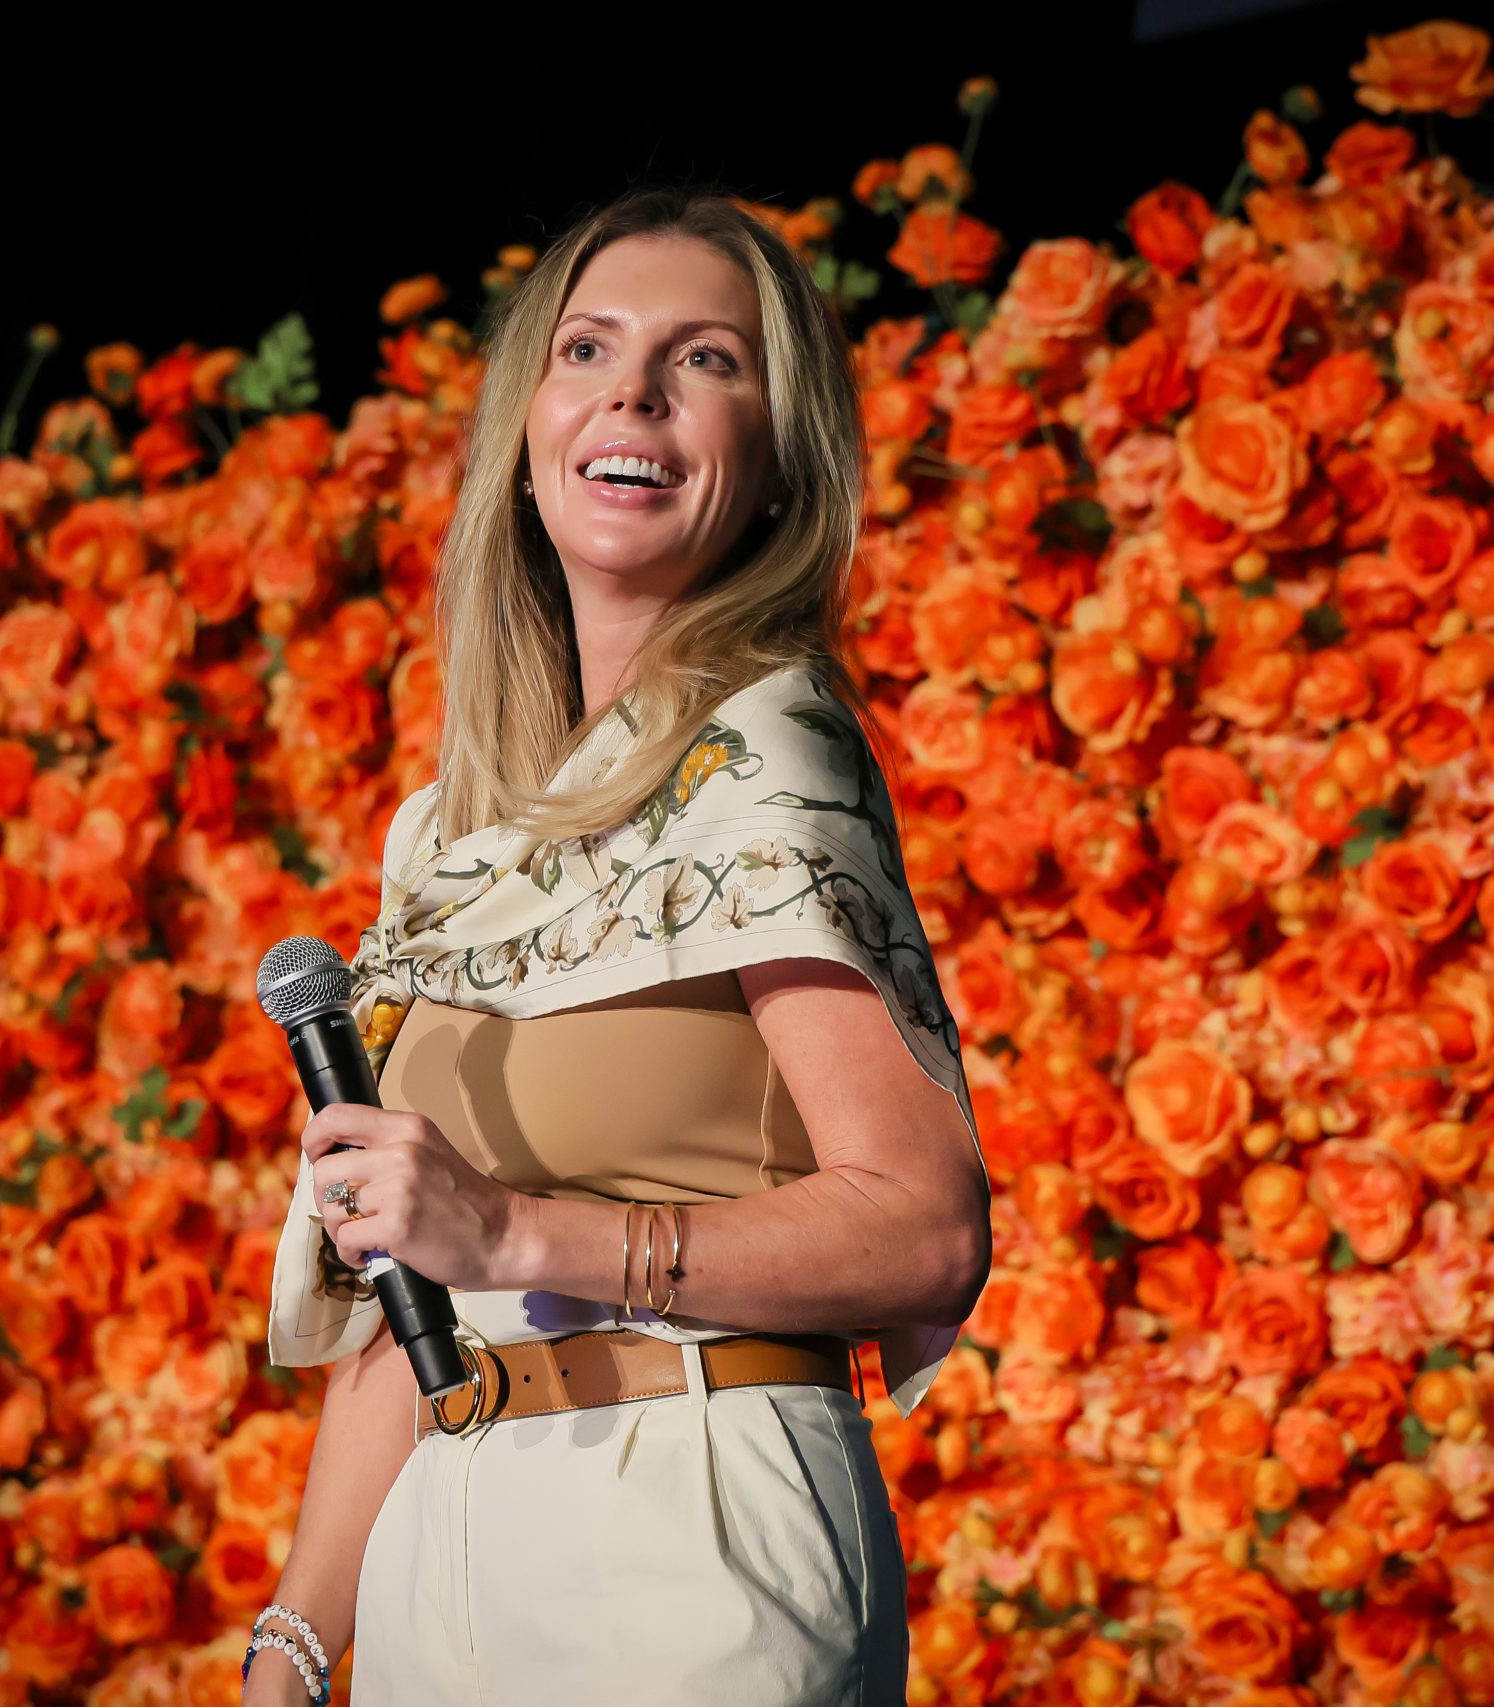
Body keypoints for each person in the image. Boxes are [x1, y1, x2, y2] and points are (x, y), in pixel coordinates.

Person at [240, 184, 991, 1707]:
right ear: (528, 436)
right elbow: (417, 1292)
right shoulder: (444, 835)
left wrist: (527, 1236)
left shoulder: (769, 751)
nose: (634, 390)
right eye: (586, 348)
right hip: (443, 1552)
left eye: (706, 359)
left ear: (781, 467)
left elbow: (926, 1228)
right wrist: (298, 1640)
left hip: (689, 1532)